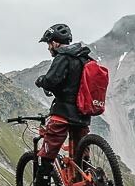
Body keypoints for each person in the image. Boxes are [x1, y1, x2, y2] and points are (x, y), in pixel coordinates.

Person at [33, 23, 94, 160]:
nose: (48, 48)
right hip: (83, 114)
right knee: (81, 156)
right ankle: (87, 172)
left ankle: (43, 174)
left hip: (64, 114)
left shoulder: (63, 56)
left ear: (55, 43)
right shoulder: (84, 57)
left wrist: (41, 81)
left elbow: (51, 81)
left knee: (47, 156)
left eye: (49, 44)